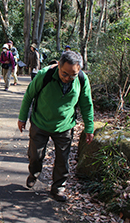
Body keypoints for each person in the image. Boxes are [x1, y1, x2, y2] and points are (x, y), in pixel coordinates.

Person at [17, 51, 94, 202]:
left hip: (64, 126)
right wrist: (22, 118)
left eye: (72, 75)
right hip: (40, 122)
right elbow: (29, 95)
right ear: (58, 64)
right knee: (35, 156)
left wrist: (89, 127)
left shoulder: (82, 80)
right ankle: (34, 173)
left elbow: (86, 104)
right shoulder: (44, 75)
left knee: (62, 159)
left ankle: (58, 188)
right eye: (64, 73)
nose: (67, 78)